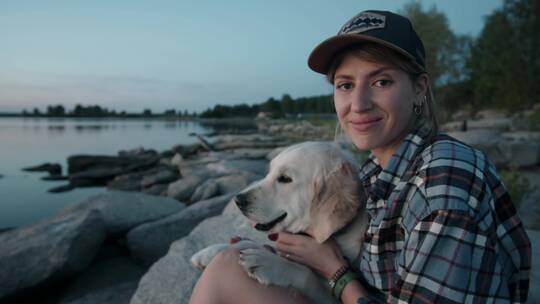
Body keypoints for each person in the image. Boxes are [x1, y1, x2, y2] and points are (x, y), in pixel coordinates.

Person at [189, 10, 531, 304]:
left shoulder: (444, 180)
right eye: (345, 85)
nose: (359, 104)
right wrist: (276, 256)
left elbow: (338, 270)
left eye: (381, 82)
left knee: (224, 275)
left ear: (419, 88)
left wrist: (332, 271)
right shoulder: (377, 172)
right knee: (230, 262)